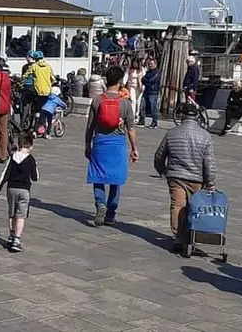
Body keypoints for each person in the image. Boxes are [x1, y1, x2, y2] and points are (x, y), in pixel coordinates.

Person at [153, 102, 216, 253]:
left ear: (182, 116)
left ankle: (178, 237)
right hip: (197, 178)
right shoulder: (205, 136)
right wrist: (210, 182)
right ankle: (191, 236)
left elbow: (159, 156)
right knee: (195, 207)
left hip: (176, 176)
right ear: (197, 117)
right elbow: (209, 162)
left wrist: (162, 171)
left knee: (177, 205)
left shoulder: (171, 133)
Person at [85, 66, 138, 227]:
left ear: (106, 80)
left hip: (100, 142)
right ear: (120, 81)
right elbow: (131, 128)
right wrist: (134, 148)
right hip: (118, 144)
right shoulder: (125, 103)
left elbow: (90, 125)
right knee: (116, 179)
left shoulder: (97, 100)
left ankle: (100, 203)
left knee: (98, 176)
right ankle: (110, 214)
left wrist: (87, 145)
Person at [0, 133, 39, 253]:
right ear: (31, 147)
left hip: (11, 189)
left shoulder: (12, 157)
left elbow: (5, 173)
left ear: (19, 145)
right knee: (20, 216)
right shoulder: (31, 160)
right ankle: (17, 240)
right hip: (24, 190)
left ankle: (11, 236)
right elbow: (35, 177)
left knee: (12, 214)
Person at [23, 51, 55, 133]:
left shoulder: (34, 66)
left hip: (37, 91)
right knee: (44, 109)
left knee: (37, 110)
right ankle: (43, 128)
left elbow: (25, 75)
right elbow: (53, 79)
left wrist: (21, 82)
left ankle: (35, 128)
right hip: (47, 92)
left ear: (35, 58)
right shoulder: (48, 66)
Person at [140, 58, 160, 128]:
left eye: (151, 64)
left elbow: (153, 80)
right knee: (142, 106)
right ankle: (142, 120)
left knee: (153, 107)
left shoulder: (157, 73)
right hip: (146, 91)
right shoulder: (148, 72)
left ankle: (154, 122)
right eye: (149, 64)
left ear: (155, 64)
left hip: (153, 92)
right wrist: (147, 81)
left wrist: (147, 81)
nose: (150, 65)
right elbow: (143, 79)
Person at [125, 59, 145, 127]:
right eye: (133, 63)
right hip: (131, 86)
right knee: (133, 100)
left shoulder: (142, 69)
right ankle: (132, 116)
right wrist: (123, 83)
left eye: (136, 63)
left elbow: (144, 78)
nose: (135, 64)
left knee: (138, 101)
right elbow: (126, 77)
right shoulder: (129, 69)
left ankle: (137, 115)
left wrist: (143, 86)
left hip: (139, 87)